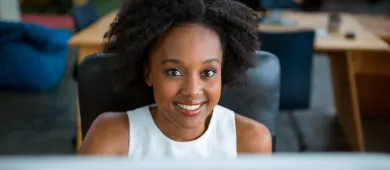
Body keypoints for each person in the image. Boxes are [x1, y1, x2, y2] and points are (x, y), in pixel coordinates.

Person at [78, 0, 272, 158]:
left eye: (208, 72)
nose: (193, 90)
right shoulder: (109, 137)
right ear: (148, 73)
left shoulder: (251, 141)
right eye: (174, 72)